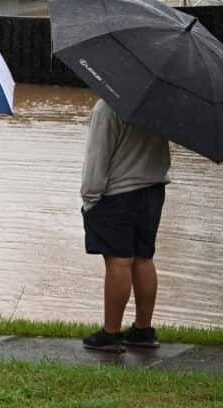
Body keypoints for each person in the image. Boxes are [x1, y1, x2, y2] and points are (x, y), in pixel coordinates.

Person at [79, 98, 171, 353]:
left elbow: (98, 158)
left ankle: (110, 334)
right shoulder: (159, 105)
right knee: (144, 258)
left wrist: (89, 198)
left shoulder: (106, 108)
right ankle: (143, 331)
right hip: (153, 191)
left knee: (119, 262)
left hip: (118, 194)